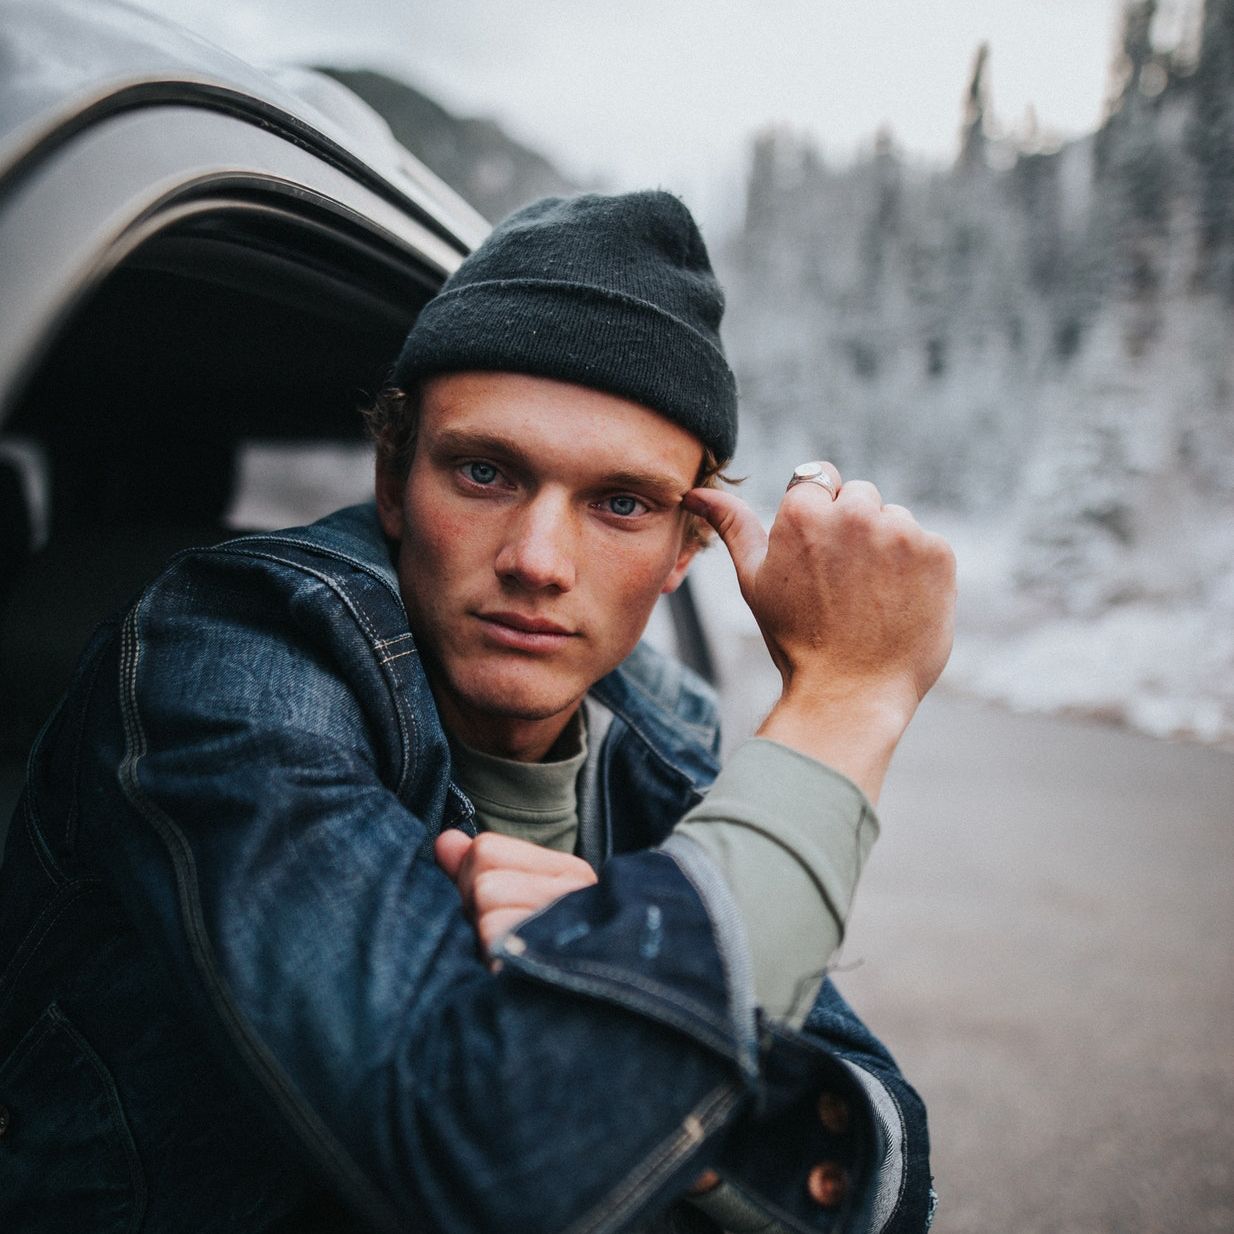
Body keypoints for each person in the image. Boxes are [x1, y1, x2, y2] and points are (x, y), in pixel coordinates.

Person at [0, 191, 954, 1233]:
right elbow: (483, 1152)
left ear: (686, 549)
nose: (538, 561)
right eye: (485, 472)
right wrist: (846, 700)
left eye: (621, 503)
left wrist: (613, 959)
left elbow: (885, 1171)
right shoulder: (231, 649)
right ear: (394, 482)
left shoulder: (659, 727)